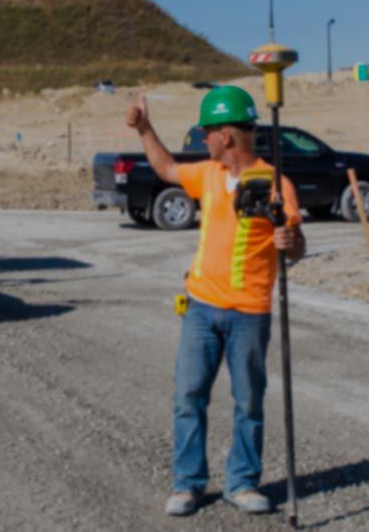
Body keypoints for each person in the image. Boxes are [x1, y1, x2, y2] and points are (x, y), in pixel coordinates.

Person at [126, 86, 306, 517]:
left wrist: (290, 241)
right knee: (188, 397)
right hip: (201, 308)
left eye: (207, 132)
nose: (203, 139)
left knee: (248, 403)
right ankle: (187, 484)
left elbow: (296, 245)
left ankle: (241, 484)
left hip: (250, 313)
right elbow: (166, 167)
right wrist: (145, 129)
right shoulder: (207, 174)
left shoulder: (275, 183)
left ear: (226, 136)